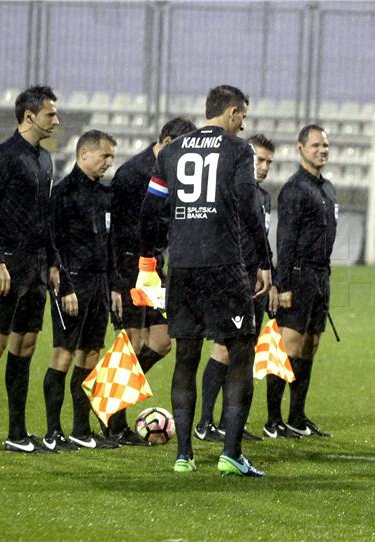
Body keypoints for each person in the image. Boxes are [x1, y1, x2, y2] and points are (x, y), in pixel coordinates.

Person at [139, 84, 271, 476]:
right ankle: (231, 454)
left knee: (186, 355)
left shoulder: (173, 149)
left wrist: (153, 255)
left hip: (183, 266)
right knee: (241, 352)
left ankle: (184, 455)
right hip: (224, 266)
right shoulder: (237, 150)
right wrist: (262, 261)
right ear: (231, 113)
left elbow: (151, 209)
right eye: (242, 118)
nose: (243, 126)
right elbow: (249, 208)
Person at [0, 85, 65, 457]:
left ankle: (17, 433)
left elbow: (46, 219)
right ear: (29, 116)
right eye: (50, 114)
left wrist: (52, 262)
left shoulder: (44, 160)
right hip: (5, 268)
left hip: (35, 270)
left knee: (24, 347)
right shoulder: (1, 157)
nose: (56, 120)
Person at [107, 116, 197, 445]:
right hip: (130, 268)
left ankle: (111, 396)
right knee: (130, 342)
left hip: (154, 269)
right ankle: (114, 420)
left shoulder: (172, 174)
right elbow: (114, 232)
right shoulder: (132, 175)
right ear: (169, 141)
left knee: (161, 341)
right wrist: (117, 281)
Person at [195, 133, 278, 443]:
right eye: (259, 159)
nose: (264, 166)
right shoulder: (229, 193)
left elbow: (262, 243)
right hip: (230, 281)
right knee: (223, 350)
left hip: (255, 284)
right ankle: (205, 423)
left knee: (244, 354)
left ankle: (230, 424)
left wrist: (271, 279)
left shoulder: (264, 198)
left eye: (269, 161)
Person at [44, 130, 121, 451]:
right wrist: (66, 288)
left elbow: (110, 245)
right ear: (84, 154)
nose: (109, 162)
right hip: (72, 284)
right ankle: (52, 432)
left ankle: (80, 429)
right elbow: (53, 244)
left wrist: (114, 286)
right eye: (105, 156)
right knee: (63, 354)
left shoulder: (105, 196)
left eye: (111, 157)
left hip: (100, 284)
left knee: (90, 355)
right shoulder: (62, 194)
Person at [267, 124, 336, 439]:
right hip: (298, 275)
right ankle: (272, 420)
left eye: (325, 145)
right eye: (315, 145)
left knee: (310, 346)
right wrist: (283, 285)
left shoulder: (328, 188)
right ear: (300, 149)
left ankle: (296, 416)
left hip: (321, 276)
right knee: (288, 347)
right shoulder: (294, 189)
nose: (321, 150)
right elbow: (286, 239)